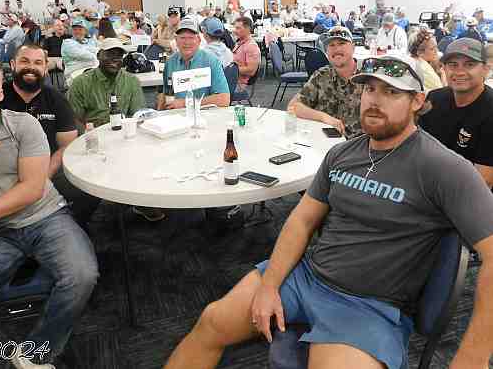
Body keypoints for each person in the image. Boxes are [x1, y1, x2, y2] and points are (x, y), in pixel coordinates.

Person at [164, 54, 493, 369]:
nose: (375, 100)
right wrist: (269, 285)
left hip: (369, 306)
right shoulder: (342, 154)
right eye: (369, 89)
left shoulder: (444, 168)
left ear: (417, 101)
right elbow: (302, 220)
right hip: (306, 277)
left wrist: (473, 356)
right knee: (212, 321)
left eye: (392, 92)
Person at [0, 60, 99, 368]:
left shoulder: (23, 125)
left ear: (1, 93)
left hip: (45, 217)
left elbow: (32, 189)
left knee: (81, 276)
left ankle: (37, 353)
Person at [1, 44, 101, 228]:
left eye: (38, 63)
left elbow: (66, 145)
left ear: (45, 68)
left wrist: (44, 175)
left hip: (48, 167)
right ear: (13, 64)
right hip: (4, 170)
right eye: (25, 61)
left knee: (88, 191)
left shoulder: (56, 99)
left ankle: (70, 225)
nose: (31, 67)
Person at [420, 38, 493, 189]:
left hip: (466, 194)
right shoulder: (434, 99)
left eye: (469, 65)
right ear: (444, 68)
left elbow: (484, 181)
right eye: (453, 65)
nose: (459, 72)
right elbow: (417, 148)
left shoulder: (490, 109)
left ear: (486, 69)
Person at [288, 26, 362, 138]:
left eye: (341, 43)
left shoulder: (368, 78)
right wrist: (324, 117)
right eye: (331, 45)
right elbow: (293, 107)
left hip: (358, 144)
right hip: (325, 142)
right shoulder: (322, 75)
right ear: (326, 51)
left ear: (353, 47)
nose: (336, 49)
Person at [68, 39, 145, 128]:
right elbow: (74, 120)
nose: (115, 59)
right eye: (109, 54)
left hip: (123, 131)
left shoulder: (131, 81)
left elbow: (138, 115)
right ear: (98, 56)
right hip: (93, 132)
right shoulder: (81, 83)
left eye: (119, 55)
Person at [157, 17, 230, 111]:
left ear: (199, 40)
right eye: (182, 38)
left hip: (203, 114)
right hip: (176, 115)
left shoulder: (211, 61)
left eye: (191, 38)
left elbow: (224, 99)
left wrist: (185, 103)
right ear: (176, 40)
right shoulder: (170, 62)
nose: (187, 42)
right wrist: (158, 112)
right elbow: (166, 93)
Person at [232, 17, 260, 89]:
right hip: (233, 80)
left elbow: (251, 71)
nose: (235, 31)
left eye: (238, 28)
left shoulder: (251, 46)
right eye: (235, 28)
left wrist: (230, 70)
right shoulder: (240, 43)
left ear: (247, 29)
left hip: (240, 84)